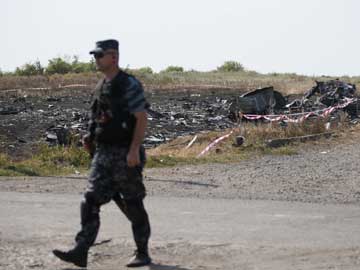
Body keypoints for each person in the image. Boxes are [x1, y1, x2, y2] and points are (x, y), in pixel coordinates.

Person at [52, 39, 152, 268]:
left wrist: (134, 149)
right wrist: (90, 136)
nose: (95, 60)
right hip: (103, 154)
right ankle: (81, 249)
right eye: (94, 56)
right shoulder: (100, 86)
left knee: (133, 202)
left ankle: (142, 252)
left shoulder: (129, 84)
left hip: (126, 154)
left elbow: (141, 117)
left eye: (99, 56)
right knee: (90, 200)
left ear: (113, 57)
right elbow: (96, 116)